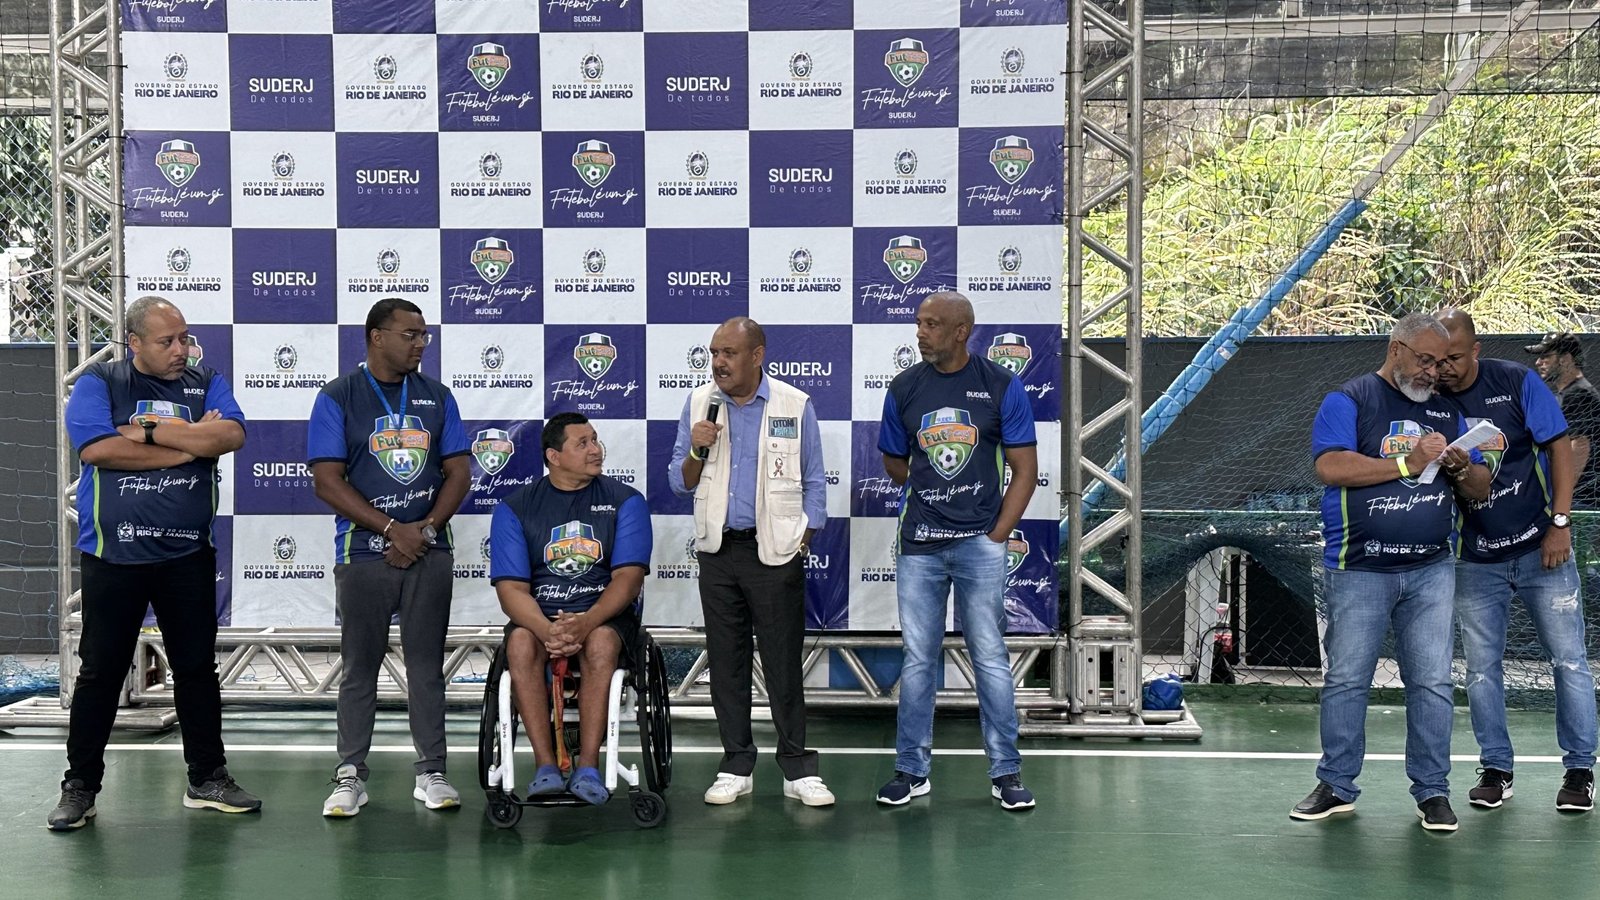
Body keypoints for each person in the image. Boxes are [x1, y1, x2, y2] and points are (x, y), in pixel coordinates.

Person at [49, 295, 258, 830]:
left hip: (186, 554)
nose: (180, 349)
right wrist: (190, 446)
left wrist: (143, 431)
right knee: (100, 673)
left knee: (196, 669)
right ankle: (80, 787)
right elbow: (97, 449)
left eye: (183, 338)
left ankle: (208, 778)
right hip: (114, 554)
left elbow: (231, 434)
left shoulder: (205, 380)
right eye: (167, 341)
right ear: (134, 343)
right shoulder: (102, 382)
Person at [1291, 312, 1489, 832]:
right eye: (1424, 359)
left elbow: (1480, 488)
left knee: (1432, 682)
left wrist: (1460, 467)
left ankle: (1433, 791)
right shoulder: (1350, 400)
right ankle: (1337, 785)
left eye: (1440, 362)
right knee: (1347, 679)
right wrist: (1407, 464)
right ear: (1395, 348)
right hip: (1360, 567)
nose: (1432, 371)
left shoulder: (1449, 410)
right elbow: (1331, 466)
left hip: (1431, 569)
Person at [875, 292, 1039, 812]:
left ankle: (1006, 772)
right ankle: (911, 770)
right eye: (919, 323)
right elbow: (894, 462)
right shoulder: (904, 387)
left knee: (989, 657)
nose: (920, 332)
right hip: (919, 546)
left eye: (931, 324)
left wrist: (996, 535)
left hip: (978, 546)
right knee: (918, 659)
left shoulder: (1001, 385)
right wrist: (929, 487)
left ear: (961, 331)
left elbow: (1026, 470)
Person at [307, 298, 471, 816]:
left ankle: (432, 771)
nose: (420, 343)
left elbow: (460, 472)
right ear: (377, 337)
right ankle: (350, 774)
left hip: (428, 549)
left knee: (426, 666)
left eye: (424, 335)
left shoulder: (438, 396)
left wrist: (423, 531)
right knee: (359, 667)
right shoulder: (337, 396)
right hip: (362, 552)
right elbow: (327, 481)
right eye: (410, 334)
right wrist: (391, 530)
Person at [668, 317, 834, 807]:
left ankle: (798, 769)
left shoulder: (794, 404)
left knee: (783, 662)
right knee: (726, 662)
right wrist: (697, 446)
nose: (718, 362)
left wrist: (804, 538)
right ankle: (736, 764)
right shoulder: (699, 403)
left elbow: (815, 480)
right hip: (718, 553)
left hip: (775, 553)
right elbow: (680, 481)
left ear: (757, 356)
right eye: (714, 352)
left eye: (729, 353)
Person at [1438, 310, 1595, 812]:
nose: (1445, 367)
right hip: (1474, 559)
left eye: (1454, 357)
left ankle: (1580, 771)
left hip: (1541, 550)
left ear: (1476, 349)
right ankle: (1496, 768)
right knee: (1481, 668)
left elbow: (1561, 448)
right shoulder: (1428, 397)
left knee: (1569, 661)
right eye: (1437, 359)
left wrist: (1559, 523)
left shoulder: (1516, 381)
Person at [489, 413, 652, 805]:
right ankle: (546, 766)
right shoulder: (515, 507)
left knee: (601, 642)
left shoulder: (626, 501)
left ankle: (589, 766)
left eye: (595, 440)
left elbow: (628, 579)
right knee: (520, 644)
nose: (596, 450)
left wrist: (585, 622)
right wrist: (549, 631)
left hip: (604, 617)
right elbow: (511, 590)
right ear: (554, 456)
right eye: (583, 443)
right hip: (541, 619)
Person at [1526, 332, 1600, 507]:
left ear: (1565, 359)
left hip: (1583, 501)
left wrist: (1558, 500)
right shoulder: (1568, 393)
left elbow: (1579, 447)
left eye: (1546, 356)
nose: (1538, 362)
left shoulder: (1578, 394)